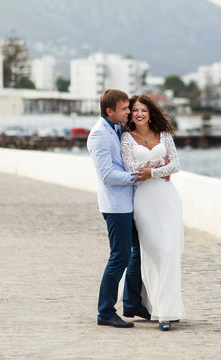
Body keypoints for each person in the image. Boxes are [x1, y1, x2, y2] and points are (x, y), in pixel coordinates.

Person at [87, 89, 154, 328]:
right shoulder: (99, 135)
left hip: (128, 202)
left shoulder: (117, 129)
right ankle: (105, 311)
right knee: (119, 257)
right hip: (115, 205)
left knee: (136, 251)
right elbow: (107, 175)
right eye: (125, 108)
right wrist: (139, 177)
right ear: (109, 111)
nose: (129, 112)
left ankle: (132, 303)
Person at [121, 94, 184, 331]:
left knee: (170, 252)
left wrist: (153, 170)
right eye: (135, 110)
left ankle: (166, 312)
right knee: (154, 253)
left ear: (151, 113)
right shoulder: (127, 138)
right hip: (144, 202)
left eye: (144, 110)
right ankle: (155, 304)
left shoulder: (164, 134)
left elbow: (175, 164)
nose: (139, 114)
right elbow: (130, 167)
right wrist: (160, 164)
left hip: (168, 199)